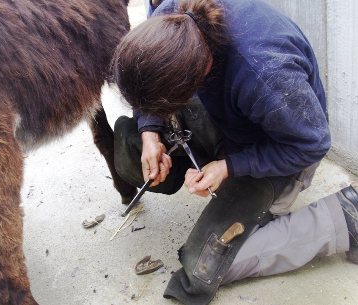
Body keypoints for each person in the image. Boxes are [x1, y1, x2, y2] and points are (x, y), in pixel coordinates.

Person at [111, 0, 358, 304]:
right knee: (129, 142)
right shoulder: (173, 16)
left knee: (200, 269)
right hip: (228, 117)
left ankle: (348, 218)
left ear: (191, 81)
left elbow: (311, 145)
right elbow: (145, 83)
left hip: (278, 150)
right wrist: (149, 131)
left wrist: (228, 166)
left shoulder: (266, 75)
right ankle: (192, 166)